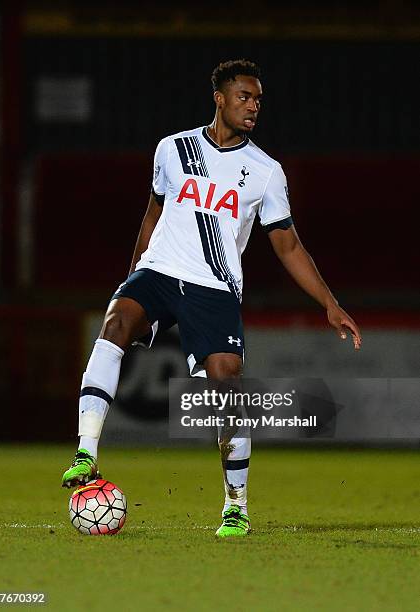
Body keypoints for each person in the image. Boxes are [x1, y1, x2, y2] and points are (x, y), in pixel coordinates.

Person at [61, 59, 362, 537]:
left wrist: (329, 302)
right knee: (115, 321)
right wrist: (134, 272)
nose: (253, 106)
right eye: (244, 97)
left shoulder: (264, 171)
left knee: (226, 388)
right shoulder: (172, 149)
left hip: (213, 288)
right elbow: (153, 213)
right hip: (159, 272)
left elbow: (287, 243)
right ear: (219, 98)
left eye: (259, 99)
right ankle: (85, 453)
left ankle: (235, 504)